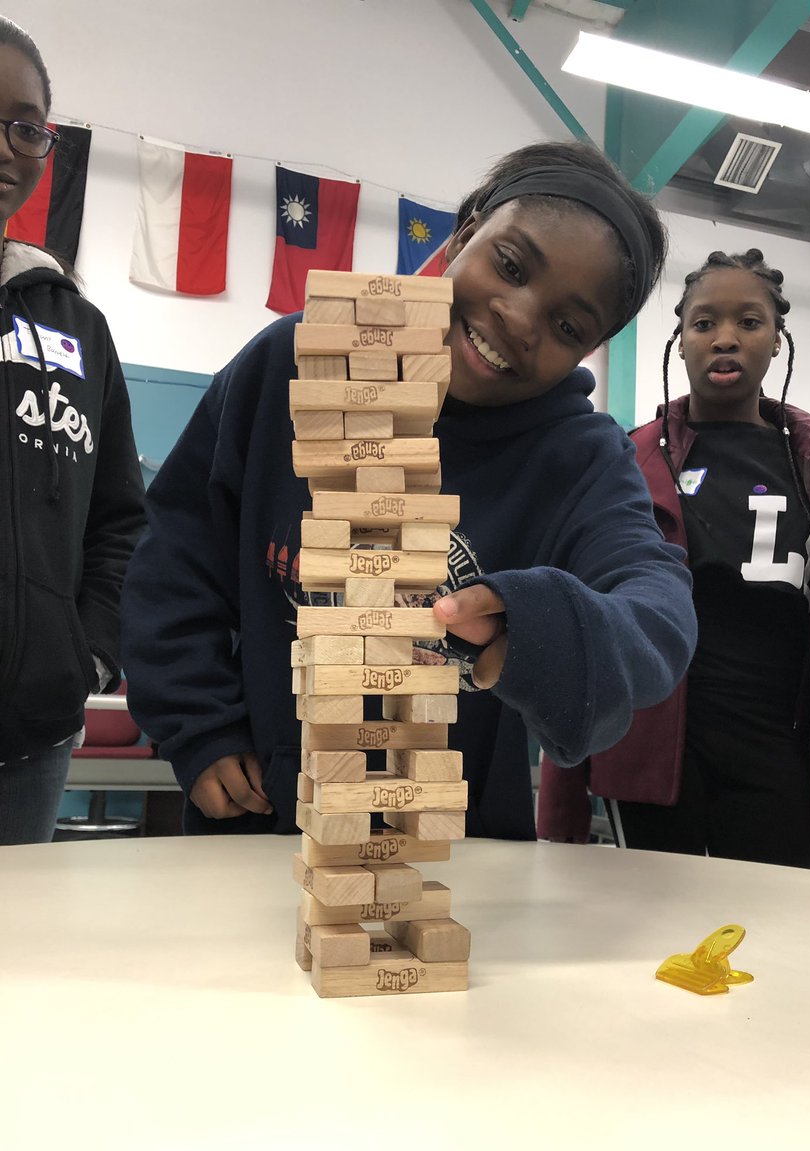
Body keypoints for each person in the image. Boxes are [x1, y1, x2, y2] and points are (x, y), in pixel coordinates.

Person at [121, 139, 697, 838]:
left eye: (567, 325)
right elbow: (178, 551)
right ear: (466, 230)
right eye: (510, 266)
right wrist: (198, 725)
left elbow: (658, 613)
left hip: (453, 846)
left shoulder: (584, 460)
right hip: (260, 812)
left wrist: (537, 623)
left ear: (590, 349)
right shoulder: (295, 362)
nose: (518, 317)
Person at [540, 249, 810, 873]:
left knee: (775, 931)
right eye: (704, 324)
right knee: (648, 927)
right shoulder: (627, 463)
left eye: (749, 322)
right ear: (680, 342)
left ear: (777, 340)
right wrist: (564, 798)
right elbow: (581, 631)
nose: (725, 338)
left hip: (777, 744)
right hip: (650, 742)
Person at [0, 19, 145, 843]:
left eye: (25, 127)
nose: (6, 148)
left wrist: (85, 655)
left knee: (13, 963)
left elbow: (122, 518)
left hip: (29, 743)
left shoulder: (76, 328)